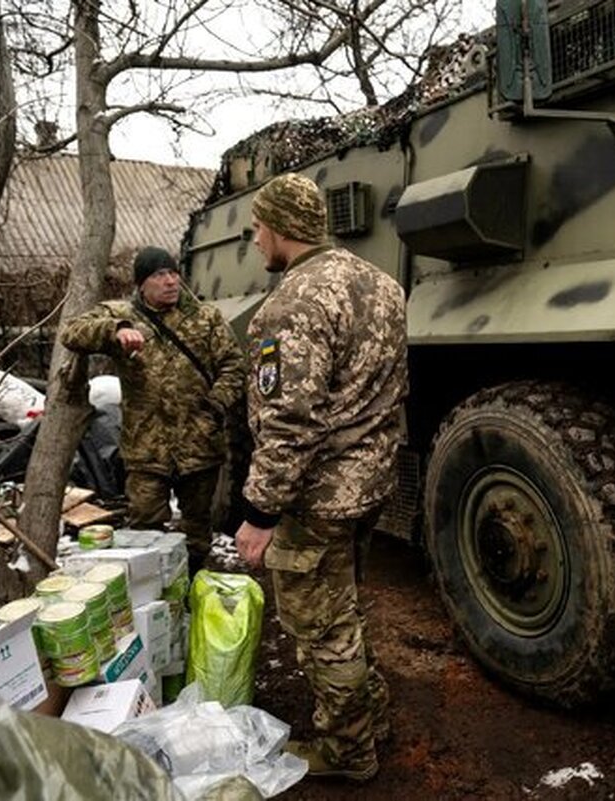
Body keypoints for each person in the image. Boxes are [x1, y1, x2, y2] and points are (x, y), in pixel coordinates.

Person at [233, 173, 409, 782]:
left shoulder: (290, 305)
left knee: (320, 628)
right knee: (345, 608)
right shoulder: (382, 285)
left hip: (318, 498)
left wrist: (259, 514)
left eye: (258, 226)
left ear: (280, 227)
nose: (255, 239)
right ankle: (371, 715)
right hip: (370, 483)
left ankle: (348, 751)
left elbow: (289, 423)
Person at [60, 246, 246, 571]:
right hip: (147, 450)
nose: (171, 281)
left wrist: (216, 404)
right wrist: (114, 330)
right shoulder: (123, 316)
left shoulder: (206, 318)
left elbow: (235, 366)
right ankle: (155, 592)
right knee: (145, 529)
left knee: (198, 529)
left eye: (174, 273)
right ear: (142, 283)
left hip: (199, 446)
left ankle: (192, 584)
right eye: (160, 275)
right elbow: (71, 332)